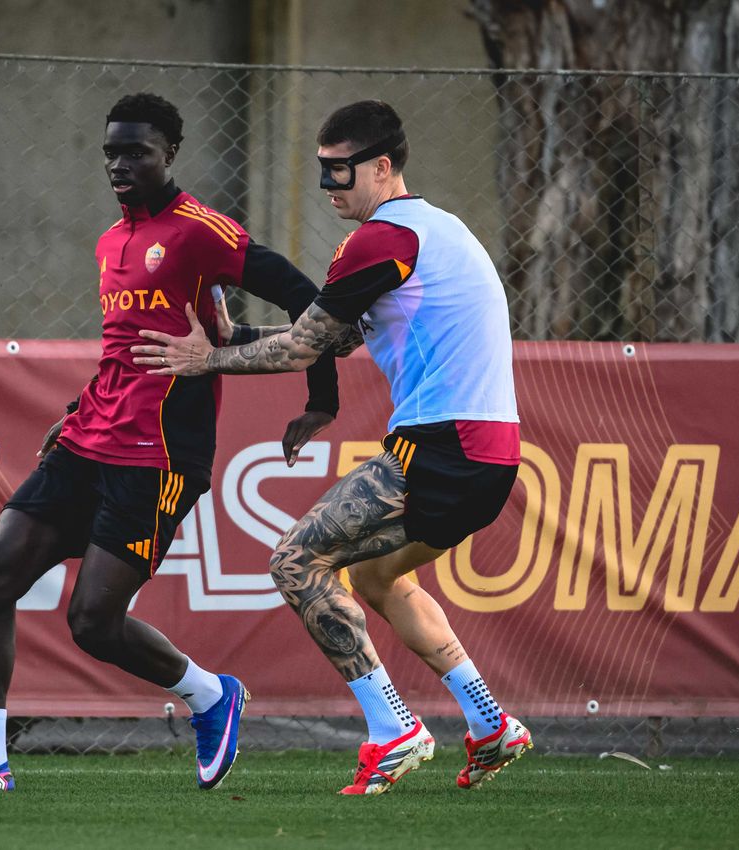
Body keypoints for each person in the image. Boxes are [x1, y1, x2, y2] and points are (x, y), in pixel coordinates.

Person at [133, 99, 533, 795]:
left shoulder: (381, 239)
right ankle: (489, 720)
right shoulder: (433, 229)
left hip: (442, 447)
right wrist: (234, 339)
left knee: (295, 562)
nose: (327, 186)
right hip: (488, 455)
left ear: (382, 167)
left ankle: (393, 727)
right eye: (321, 169)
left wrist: (208, 360)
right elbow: (337, 338)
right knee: (377, 578)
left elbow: (304, 347)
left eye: (340, 170)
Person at [0, 93, 340, 791]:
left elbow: (306, 296)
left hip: (158, 457)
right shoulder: (111, 240)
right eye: (111, 152)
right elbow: (124, 351)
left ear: (170, 153)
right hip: (88, 439)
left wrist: (321, 401)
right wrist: (78, 409)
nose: (120, 164)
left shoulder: (199, 231)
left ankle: (210, 696)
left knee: (92, 623)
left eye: (136, 151)